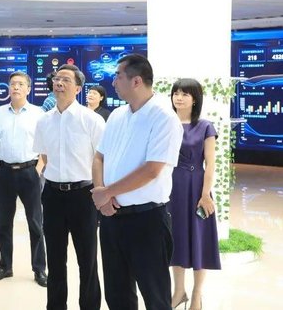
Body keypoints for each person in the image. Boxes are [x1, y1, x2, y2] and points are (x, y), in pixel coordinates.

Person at [91, 54, 183, 310]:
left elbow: (152, 170)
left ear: (136, 81)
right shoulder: (117, 115)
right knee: (117, 295)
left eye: (118, 76)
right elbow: (99, 157)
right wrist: (102, 194)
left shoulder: (164, 118)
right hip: (112, 218)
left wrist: (107, 192)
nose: (113, 82)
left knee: (155, 296)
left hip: (147, 220)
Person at [34, 65, 104, 310]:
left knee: (87, 259)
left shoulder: (91, 120)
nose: (59, 83)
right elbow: (44, 155)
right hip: (53, 194)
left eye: (65, 79)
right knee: (55, 258)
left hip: (83, 195)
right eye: (56, 78)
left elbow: (102, 159)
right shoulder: (44, 120)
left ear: (78, 88)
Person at [0, 71, 47, 287]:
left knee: (35, 223)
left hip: (30, 172)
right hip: (4, 172)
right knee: (3, 223)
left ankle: (39, 269)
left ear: (28, 89)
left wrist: (37, 170)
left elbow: (45, 146)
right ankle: (5, 266)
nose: (16, 87)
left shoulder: (38, 113)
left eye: (21, 84)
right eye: (13, 84)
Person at [168, 79, 221, 310]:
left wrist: (206, 194)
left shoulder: (205, 126)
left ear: (195, 99)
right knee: (175, 239)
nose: (179, 98)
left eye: (185, 94)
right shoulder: (166, 123)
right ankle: (178, 291)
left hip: (198, 189)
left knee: (200, 240)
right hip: (171, 188)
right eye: (176, 93)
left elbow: (210, 163)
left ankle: (197, 296)